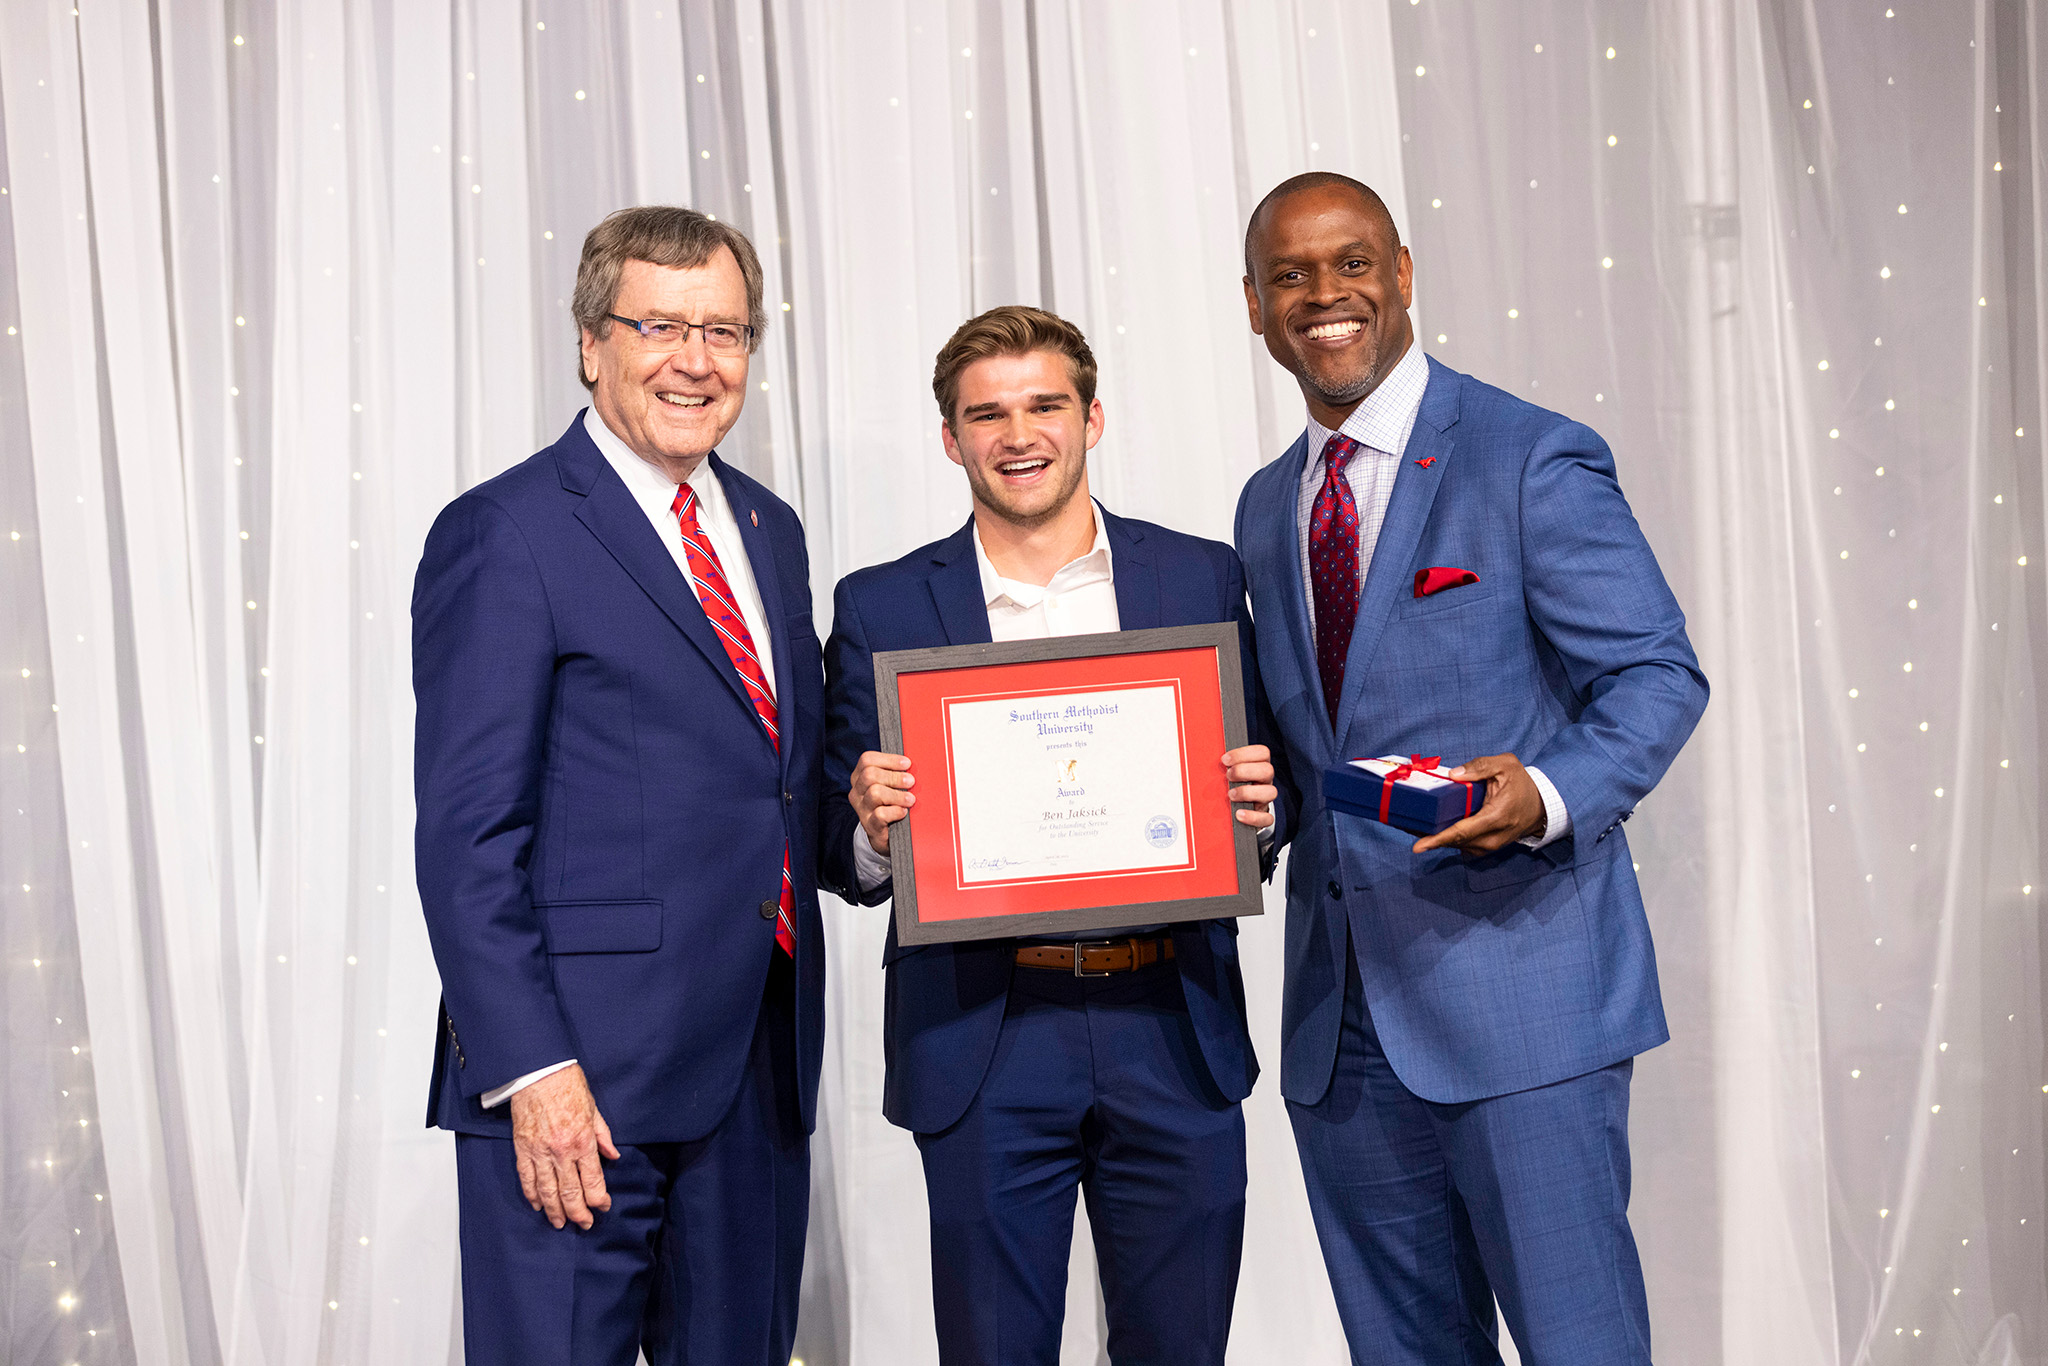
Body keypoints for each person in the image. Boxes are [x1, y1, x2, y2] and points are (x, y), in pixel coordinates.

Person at [1233, 171, 1709, 1365]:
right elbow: (1304, 747)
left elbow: (1655, 677)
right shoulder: (1263, 506)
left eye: (1350, 263)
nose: (1323, 294)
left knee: (1577, 1344)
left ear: (1400, 273)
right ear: (1253, 305)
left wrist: (1543, 794)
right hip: (1339, 1029)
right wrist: (1239, 810)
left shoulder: (1527, 455)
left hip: (1522, 1001)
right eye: (1290, 275)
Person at [819, 305, 1280, 1365]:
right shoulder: (882, 605)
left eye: (1044, 406)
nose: (1018, 435)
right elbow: (841, 851)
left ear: (1091, 419)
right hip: (983, 1033)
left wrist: (1261, 810)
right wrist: (873, 830)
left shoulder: (1198, 574)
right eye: (986, 414)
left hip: (1171, 1020)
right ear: (951, 439)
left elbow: (1269, 783)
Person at [411, 206, 824, 1365]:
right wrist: (531, 1071)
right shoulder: (505, 531)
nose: (696, 359)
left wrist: (878, 831)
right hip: (575, 1088)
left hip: (754, 1073)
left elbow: (783, 786)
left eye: (724, 331)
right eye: (660, 327)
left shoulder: (770, 529)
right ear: (591, 342)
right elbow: (466, 837)